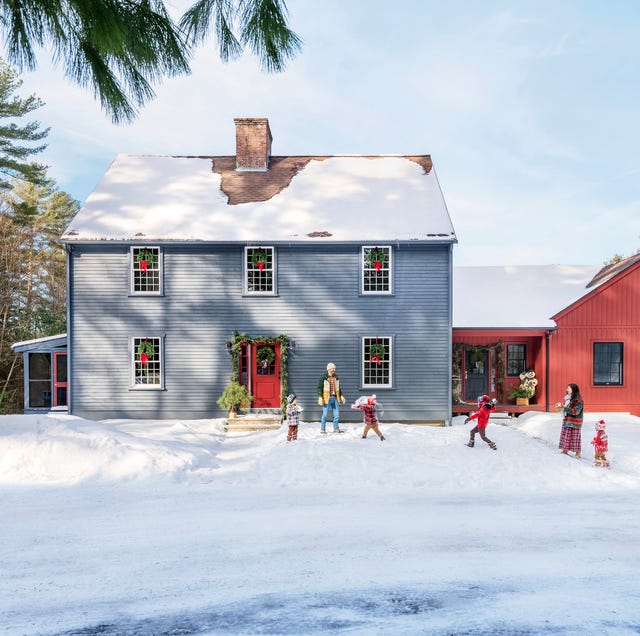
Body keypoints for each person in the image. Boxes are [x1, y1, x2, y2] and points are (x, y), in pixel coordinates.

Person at [317, 362, 346, 434]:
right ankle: (322, 429)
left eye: (334, 368)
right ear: (329, 369)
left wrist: (341, 395)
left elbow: (338, 388)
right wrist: (320, 397)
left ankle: (336, 429)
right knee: (325, 415)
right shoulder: (323, 377)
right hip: (327, 398)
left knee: (336, 415)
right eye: (333, 368)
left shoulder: (336, 377)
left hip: (335, 398)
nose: (334, 370)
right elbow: (319, 388)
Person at [559, 383, 584, 458]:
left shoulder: (578, 400)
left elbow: (576, 411)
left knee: (575, 438)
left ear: (574, 390)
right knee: (566, 436)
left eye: (568, 388)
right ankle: (565, 450)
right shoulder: (567, 398)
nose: (567, 389)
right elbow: (566, 408)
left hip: (575, 422)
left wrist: (564, 408)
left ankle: (578, 452)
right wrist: (561, 407)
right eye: (567, 388)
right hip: (567, 420)